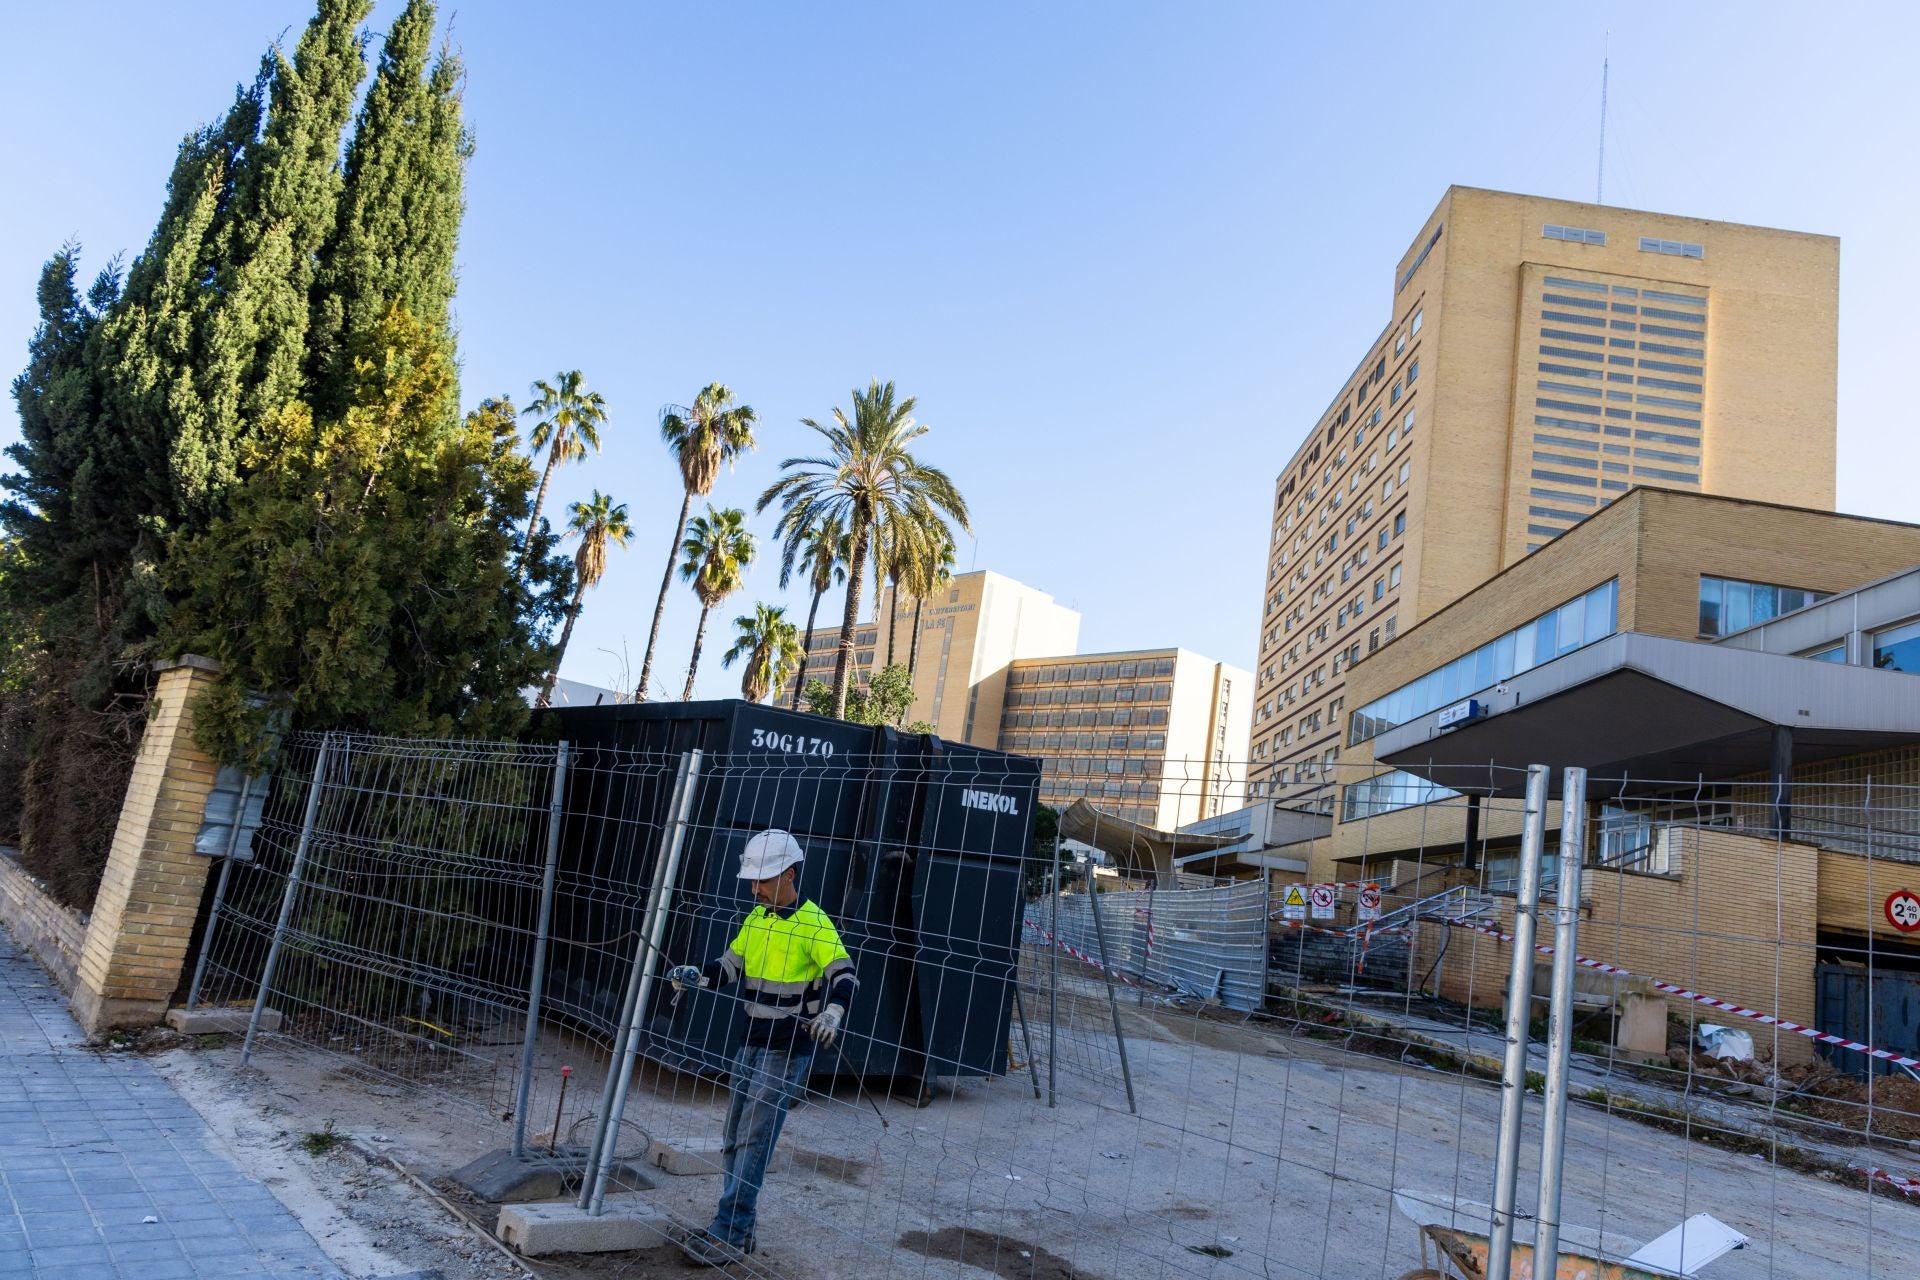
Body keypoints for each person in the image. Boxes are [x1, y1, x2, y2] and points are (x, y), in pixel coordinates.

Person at [667, 828, 857, 1266]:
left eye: (764, 880)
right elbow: (730, 967)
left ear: (790, 874)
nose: (755, 888)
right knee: (734, 1135)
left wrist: (833, 1013)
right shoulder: (756, 918)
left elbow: (845, 976)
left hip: (786, 1049)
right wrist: (697, 974)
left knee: (754, 1139)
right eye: (753, 881)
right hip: (750, 1040)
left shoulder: (815, 923)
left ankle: (730, 1231)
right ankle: (736, 1227)